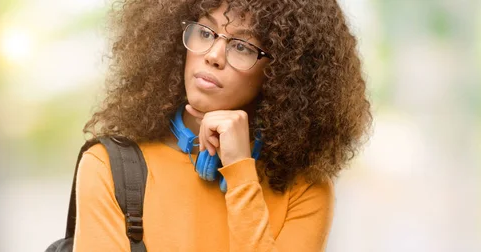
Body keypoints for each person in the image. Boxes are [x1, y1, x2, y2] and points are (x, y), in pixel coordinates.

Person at [73, 0, 372, 251]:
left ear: (283, 72)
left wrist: (241, 174)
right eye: (205, 32)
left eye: (242, 46)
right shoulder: (108, 166)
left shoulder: (305, 189)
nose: (213, 55)